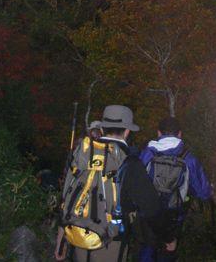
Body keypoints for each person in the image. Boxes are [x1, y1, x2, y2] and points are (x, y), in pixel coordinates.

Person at [55, 105, 169, 262]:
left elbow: (65, 198)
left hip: (76, 239)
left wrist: (60, 241)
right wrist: (168, 238)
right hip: (111, 243)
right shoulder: (130, 163)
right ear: (127, 131)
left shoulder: (82, 153)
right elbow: (151, 208)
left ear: (103, 129)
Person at [139, 117, 213, 262]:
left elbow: (136, 182)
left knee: (148, 247)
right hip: (174, 215)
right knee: (168, 249)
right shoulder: (188, 157)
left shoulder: (147, 153)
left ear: (158, 133)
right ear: (180, 134)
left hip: (148, 214)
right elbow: (204, 193)